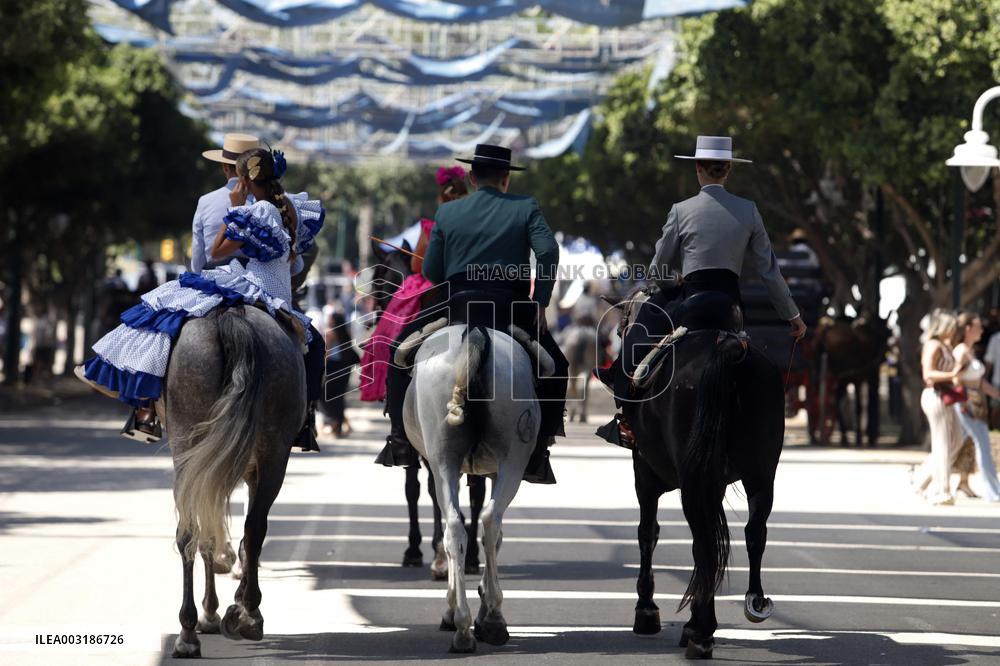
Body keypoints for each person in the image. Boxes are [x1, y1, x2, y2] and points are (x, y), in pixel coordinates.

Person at [75, 147, 324, 444]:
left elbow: (211, 254)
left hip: (254, 285)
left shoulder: (240, 208)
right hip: (280, 292)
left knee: (164, 312)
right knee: (316, 345)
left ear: (235, 174)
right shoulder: (289, 207)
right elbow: (296, 262)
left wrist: (234, 209)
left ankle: (144, 406)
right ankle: (304, 420)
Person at [378, 144, 568, 483]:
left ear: (471, 177)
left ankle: (399, 440)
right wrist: (540, 300)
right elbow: (548, 251)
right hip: (509, 306)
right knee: (558, 366)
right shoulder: (526, 207)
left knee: (398, 353)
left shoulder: (448, 213)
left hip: (457, 303)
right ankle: (540, 449)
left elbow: (434, 272)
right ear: (506, 179)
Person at [596, 136, 806, 443]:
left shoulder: (681, 210)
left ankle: (626, 415)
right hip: (732, 308)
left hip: (690, 301)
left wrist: (675, 282)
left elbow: (657, 271)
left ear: (698, 168)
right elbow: (769, 272)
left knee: (637, 340)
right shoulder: (749, 210)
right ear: (728, 170)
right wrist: (793, 316)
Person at [361, 165, 469, 404]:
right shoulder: (479, 222)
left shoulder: (432, 226)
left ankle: (396, 416)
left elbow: (419, 267)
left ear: (441, 199)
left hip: (438, 289)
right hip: (479, 289)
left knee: (391, 342)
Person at [912, 310, 966, 505]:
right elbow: (928, 374)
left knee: (956, 440)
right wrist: (953, 375)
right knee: (942, 442)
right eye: (950, 327)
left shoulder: (947, 346)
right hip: (935, 394)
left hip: (948, 396)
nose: (953, 331)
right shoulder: (933, 345)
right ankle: (941, 489)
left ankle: (921, 479)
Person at [191, 133, 260, 273]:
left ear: (225, 167)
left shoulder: (205, 201)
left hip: (213, 279)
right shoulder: (266, 204)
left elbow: (197, 258)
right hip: (256, 283)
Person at [951, 312, 1000, 501]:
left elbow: (978, 382)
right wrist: (964, 402)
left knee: (955, 445)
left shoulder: (969, 350)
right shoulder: (962, 351)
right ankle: (992, 490)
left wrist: (996, 394)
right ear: (968, 329)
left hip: (975, 400)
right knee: (983, 444)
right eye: (978, 326)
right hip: (967, 403)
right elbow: (956, 379)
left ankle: (922, 478)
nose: (982, 330)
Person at [320, 309, 360, 438]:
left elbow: (326, 352)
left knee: (324, 396)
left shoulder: (330, 333)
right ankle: (339, 424)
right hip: (345, 368)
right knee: (339, 397)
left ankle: (334, 423)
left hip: (332, 368)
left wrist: (321, 368)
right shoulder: (345, 332)